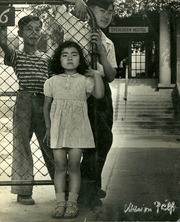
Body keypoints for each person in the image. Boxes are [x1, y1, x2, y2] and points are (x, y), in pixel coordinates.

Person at [52, 0, 117, 203]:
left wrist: (103, 55)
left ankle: (91, 186)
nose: (107, 15)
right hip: (76, 90)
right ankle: (75, 189)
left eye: (110, 12)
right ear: (90, 9)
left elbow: (112, 75)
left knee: (103, 139)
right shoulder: (73, 23)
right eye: (102, 10)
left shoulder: (106, 41)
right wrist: (76, 1)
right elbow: (55, 6)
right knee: (75, 143)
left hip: (100, 92)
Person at [43, 40, 104, 218]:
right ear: (58, 59)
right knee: (60, 166)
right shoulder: (51, 82)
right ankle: (60, 203)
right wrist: (48, 127)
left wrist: (96, 75)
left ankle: (72, 203)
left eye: (74, 54)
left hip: (78, 130)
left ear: (80, 59)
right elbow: (46, 107)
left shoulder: (85, 81)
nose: (69, 58)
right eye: (65, 55)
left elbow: (99, 95)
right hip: (58, 130)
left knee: (74, 165)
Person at [0, 15, 55, 205]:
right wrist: (3, 34)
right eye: (29, 29)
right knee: (21, 145)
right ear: (21, 33)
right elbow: (5, 47)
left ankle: (62, 186)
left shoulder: (47, 58)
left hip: (43, 102)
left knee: (50, 143)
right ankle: (23, 191)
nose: (34, 33)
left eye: (37, 29)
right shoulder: (17, 56)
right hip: (24, 101)